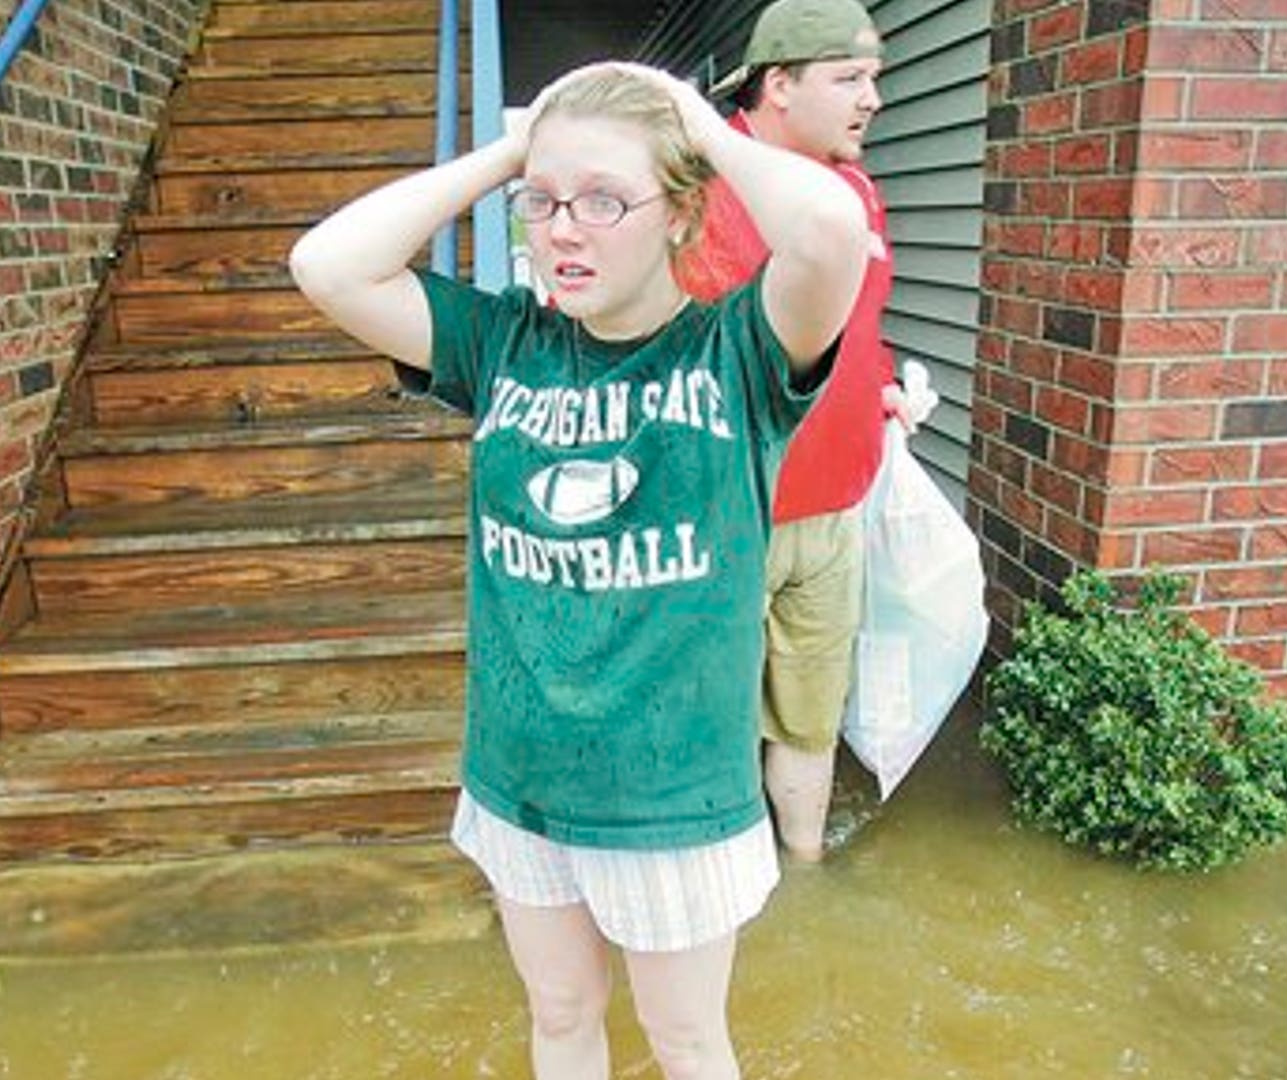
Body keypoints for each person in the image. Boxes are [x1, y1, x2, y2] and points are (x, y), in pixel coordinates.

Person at [290, 62, 865, 1080]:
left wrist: (696, 124)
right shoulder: (507, 343)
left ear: (684, 214)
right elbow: (327, 265)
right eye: (544, 204)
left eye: (604, 201)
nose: (563, 229)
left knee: (687, 1040)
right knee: (559, 1019)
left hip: (671, 792)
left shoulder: (739, 353)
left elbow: (827, 232)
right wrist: (523, 147)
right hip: (522, 776)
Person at [675, 0, 894, 864]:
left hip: (833, 511)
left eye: (875, 78)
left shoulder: (856, 185)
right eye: (849, 78)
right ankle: (713, 891)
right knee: (705, 719)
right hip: (719, 518)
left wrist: (881, 392)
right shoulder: (689, 189)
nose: (871, 99)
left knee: (811, 713)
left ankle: (805, 880)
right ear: (777, 85)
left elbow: (863, 326)